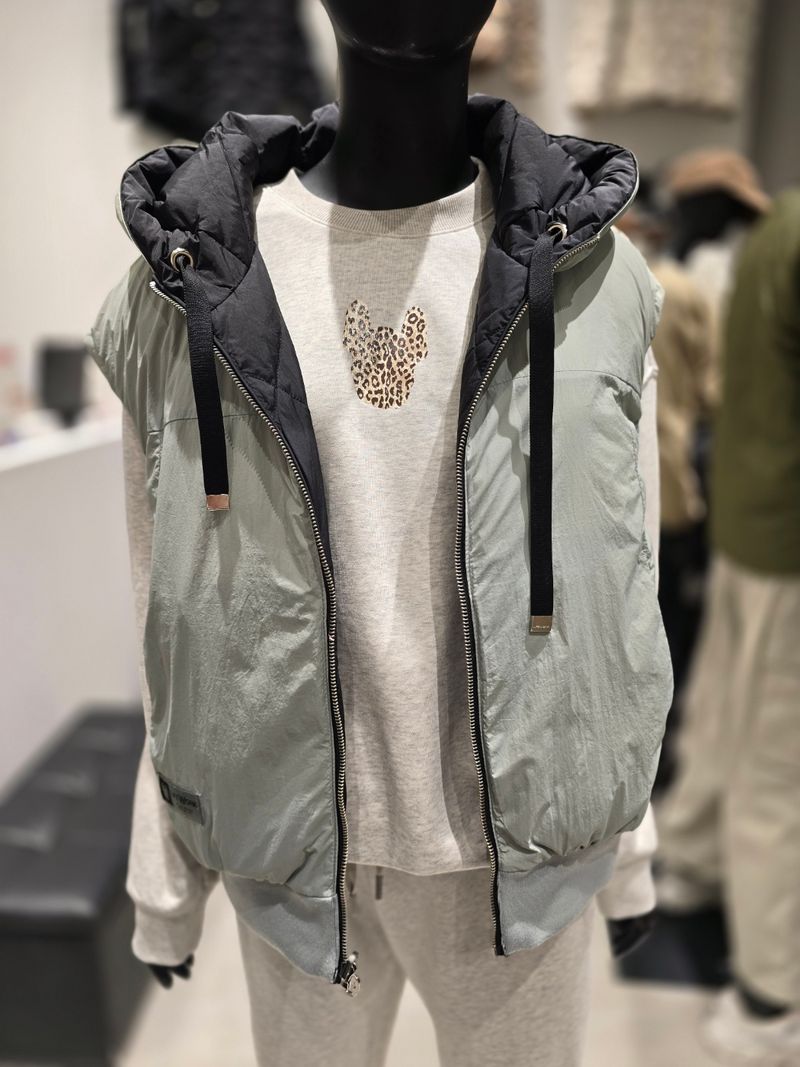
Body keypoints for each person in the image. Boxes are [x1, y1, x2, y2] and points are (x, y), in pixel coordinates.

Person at [87, 2, 672, 1062]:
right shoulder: (188, 279)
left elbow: (624, 595)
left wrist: (627, 846)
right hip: (298, 858)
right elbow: (163, 608)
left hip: (520, 859)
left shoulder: (597, 276)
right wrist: (162, 875)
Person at [656, 186, 800, 1063]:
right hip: (788, 545)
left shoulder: (783, 222)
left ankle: (692, 863)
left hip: (753, 524)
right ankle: (771, 998)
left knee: (725, 716)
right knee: (781, 762)